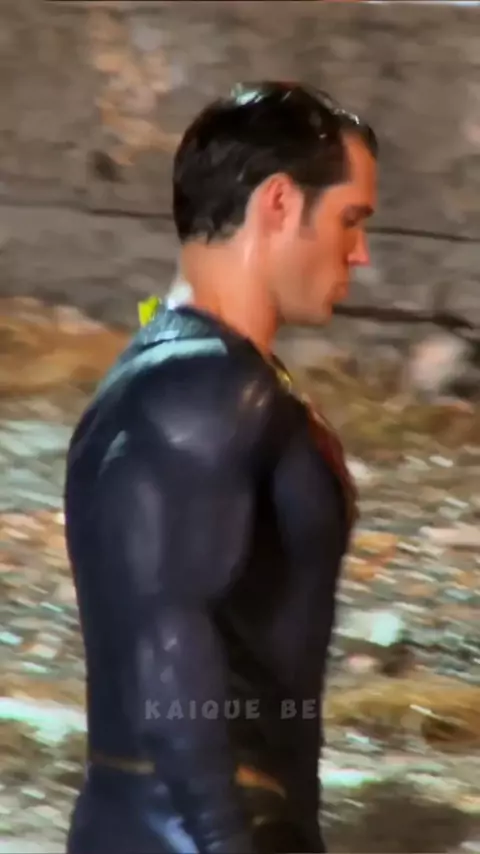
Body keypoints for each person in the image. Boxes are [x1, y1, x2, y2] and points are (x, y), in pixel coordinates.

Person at [64, 81, 377, 854]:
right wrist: (224, 838)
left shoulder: (174, 370)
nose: (360, 252)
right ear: (280, 203)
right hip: (196, 828)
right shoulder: (207, 388)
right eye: (350, 219)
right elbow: (167, 635)